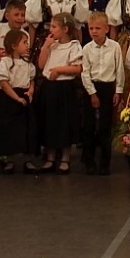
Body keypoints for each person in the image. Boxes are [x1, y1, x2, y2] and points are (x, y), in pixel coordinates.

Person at [37, 13, 85, 173]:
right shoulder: (51, 45)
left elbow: (77, 68)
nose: (51, 30)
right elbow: (41, 65)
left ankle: (65, 157)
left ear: (65, 29)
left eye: (54, 27)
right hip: (49, 88)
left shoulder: (73, 46)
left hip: (65, 88)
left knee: (65, 122)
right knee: (50, 122)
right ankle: (50, 157)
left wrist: (58, 69)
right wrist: (45, 47)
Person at [79, 11, 124, 175]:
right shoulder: (87, 49)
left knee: (106, 126)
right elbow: (84, 73)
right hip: (91, 87)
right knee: (89, 126)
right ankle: (89, 161)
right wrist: (92, 94)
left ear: (106, 29)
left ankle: (105, 164)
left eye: (98, 28)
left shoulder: (115, 47)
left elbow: (119, 69)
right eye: (91, 28)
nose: (94, 31)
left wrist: (118, 90)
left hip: (107, 87)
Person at [0, 29, 37, 174]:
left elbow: (31, 80)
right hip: (9, 98)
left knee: (27, 128)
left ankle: (28, 159)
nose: (27, 45)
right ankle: (8, 160)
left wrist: (30, 91)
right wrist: (16, 98)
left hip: (24, 95)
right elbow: (4, 84)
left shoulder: (27, 63)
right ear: (14, 46)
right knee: (8, 129)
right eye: (24, 42)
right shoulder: (5, 62)